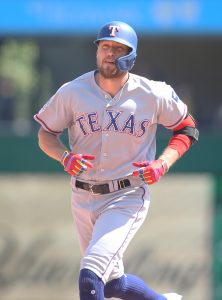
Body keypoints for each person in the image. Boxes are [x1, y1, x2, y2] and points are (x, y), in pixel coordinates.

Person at [34, 21, 199, 300]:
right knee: (112, 284)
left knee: (90, 274)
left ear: (131, 55)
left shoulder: (153, 93)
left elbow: (187, 128)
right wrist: (63, 156)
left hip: (127, 193)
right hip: (82, 194)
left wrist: (163, 163)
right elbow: (45, 133)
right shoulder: (73, 91)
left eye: (118, 48)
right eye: (105, 46)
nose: (109, 53)